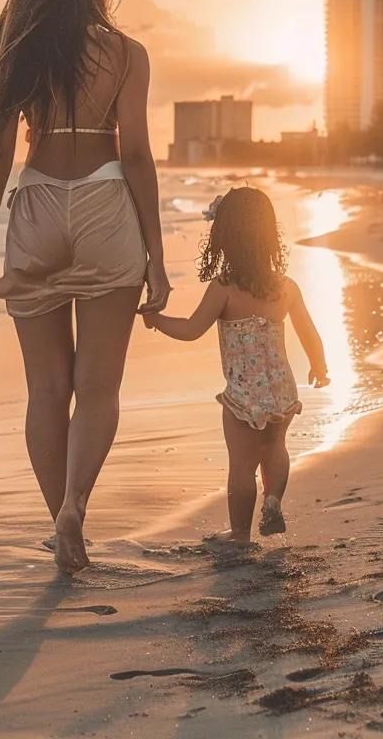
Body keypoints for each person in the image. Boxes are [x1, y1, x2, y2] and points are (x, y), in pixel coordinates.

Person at [0, 0, 170, 574]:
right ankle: (75, 505)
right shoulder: (128, 53)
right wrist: (157, 254)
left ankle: (60, 527)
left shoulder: (13, 50)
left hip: (39, 203)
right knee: (98, 388)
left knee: (47, 390)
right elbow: (134, 153)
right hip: (105, 202)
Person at [143, 187, 328, 544]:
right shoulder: (285, 287)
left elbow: (192, 329)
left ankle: (240, 533)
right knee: (275, 449)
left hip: (243, 395)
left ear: (224, 237)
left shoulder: (224, 288)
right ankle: (273, 499)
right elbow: (309, 333)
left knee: (242, 466)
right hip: (282, 389)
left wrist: (158, 320)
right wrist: (319, 367)